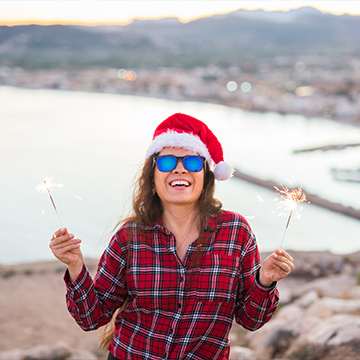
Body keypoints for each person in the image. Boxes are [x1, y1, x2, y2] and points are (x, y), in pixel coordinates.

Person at [50, 113, 294, 360]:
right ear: (153, 179)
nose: (179, 168)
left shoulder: (236, 232)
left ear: (206, 176)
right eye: (167, 162)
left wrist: (265, 281)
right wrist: (75, 266)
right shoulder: (128, 237)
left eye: (192, 162)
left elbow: (251, 320)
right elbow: (92, 318)